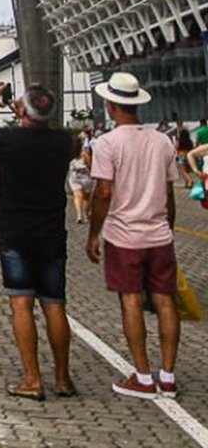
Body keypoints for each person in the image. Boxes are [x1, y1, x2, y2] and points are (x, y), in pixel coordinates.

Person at [0, 82, 78, 401]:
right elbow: (45, 134)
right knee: (55, 304)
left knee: (21, 303)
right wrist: (27, 113)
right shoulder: (66, 142)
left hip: (14, 232)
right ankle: (63, 379)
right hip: (51, 233)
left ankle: (32, 379)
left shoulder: (7, 141)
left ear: (23, 110)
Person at [85, 72, 180, 399]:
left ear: (111, 106)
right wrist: (168, 229)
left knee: (131, 301)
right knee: (167, 302)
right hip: (159, 235)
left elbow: (103, 192)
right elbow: (169, 195)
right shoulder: (162, 141)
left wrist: (93, 234)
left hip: (124, 236)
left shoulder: (107, 144)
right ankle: (168, 376)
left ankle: (142, 376)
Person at [68, 149, 93, 224]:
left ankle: (79, 214)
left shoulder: (69, 153)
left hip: (74, 177)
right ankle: (85, 215)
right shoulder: (84, 154)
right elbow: (89, 165)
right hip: (85, 177)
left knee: (77, 195)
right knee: (86, 197)